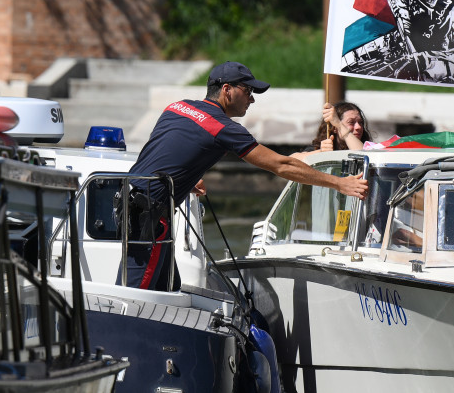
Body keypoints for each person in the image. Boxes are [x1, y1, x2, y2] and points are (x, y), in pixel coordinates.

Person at [119, 61, 368, 290]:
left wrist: (186, 176)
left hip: (129, 202)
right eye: (248, 91)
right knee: (136, 296)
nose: (252, 100)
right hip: (149, 218)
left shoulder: (177, 107)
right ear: (227, 90)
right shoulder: (224, 128)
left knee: (166, 289)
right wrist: (340, 183)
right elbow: (281, 166)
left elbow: (161, 151)